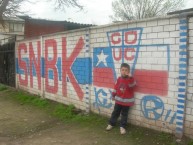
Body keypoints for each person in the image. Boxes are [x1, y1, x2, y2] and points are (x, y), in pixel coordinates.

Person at [106, 63, 136, 134]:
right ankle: (111, 124)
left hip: (127, 102)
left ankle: (122, 127)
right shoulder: (119, 79)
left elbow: (132, 85)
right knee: (115, 113)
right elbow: (115, 88)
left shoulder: (131, 80)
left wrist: (130, 78)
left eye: (126, 70)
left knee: (124, 115)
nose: (124, 71)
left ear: (128, 71)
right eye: (123, 70)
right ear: (120, 70)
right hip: (118, 101)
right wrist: (113, 95)